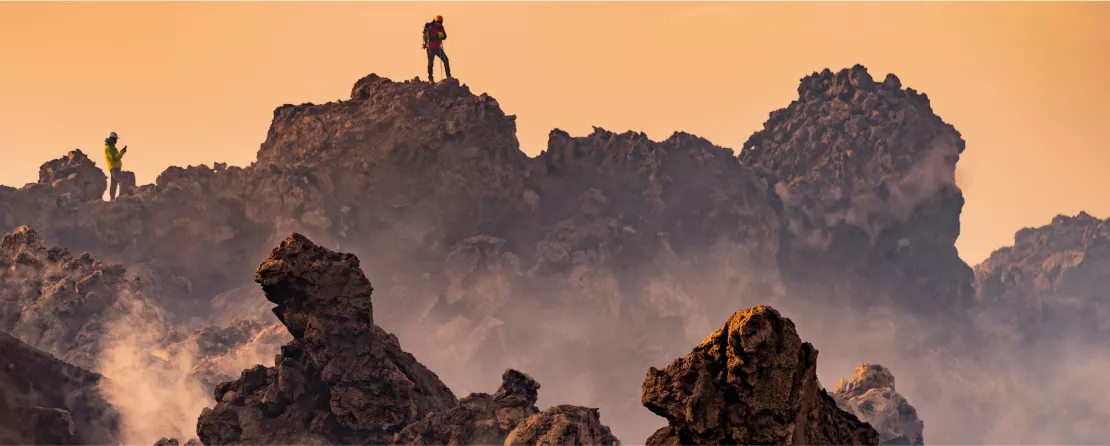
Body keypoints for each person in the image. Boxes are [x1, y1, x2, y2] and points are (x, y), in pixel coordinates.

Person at [422, 15, 451, 82]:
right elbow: (430, 39)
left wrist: (442, 36)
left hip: (438, 47)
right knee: (431, 63)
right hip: (430, 48)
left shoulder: (441, 27)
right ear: (435, 21)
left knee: (446, 60)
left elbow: (445, 36)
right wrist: (437, 36)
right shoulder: (430, 28)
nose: (439, 24)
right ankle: (430, 78)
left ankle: (448, 76)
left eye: (441, 22)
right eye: (438, 22)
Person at [104, 132, 127, 200]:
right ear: (112, 139)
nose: (116, 141)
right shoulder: (109, 148)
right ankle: (124, 195)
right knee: (121, 180)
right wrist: (122, 152)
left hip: (114, 168)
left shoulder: (112, 148)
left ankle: (112, 198)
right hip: (114, 168)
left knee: (114, 184)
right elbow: (114, 158)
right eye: (115, 139)